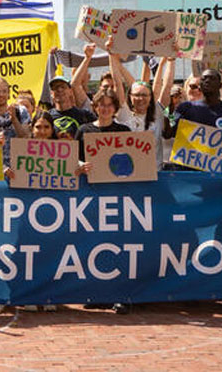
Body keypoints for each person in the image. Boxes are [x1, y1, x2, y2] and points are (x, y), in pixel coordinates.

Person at [75, 88, 131, 315]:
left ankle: (121, 296)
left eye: (109, 105)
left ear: (115, 108)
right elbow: (73, 159)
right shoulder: (84, 130)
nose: (105, 108)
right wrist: (80, 166)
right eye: (101, 104)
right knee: (93, 244)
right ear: (95, 107)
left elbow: (133, 162)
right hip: (90, 196)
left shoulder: (123, 130)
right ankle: (97, 294)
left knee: (119, 245)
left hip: (117, 196)